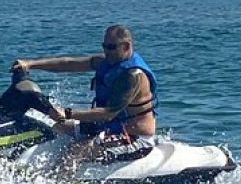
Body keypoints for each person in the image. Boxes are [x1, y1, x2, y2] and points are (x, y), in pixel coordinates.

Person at [10, 24, 158, 166]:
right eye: (104, 46)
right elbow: (68, 63)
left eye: (111, 47)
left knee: (74, 152)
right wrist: (30, 64)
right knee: (58, 127)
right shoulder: (107, 62)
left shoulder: (133, 76)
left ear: (126, 46)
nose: (106, 51)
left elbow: (108, 114)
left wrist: (68, 113)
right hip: (110, 127)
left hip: (135, 137)